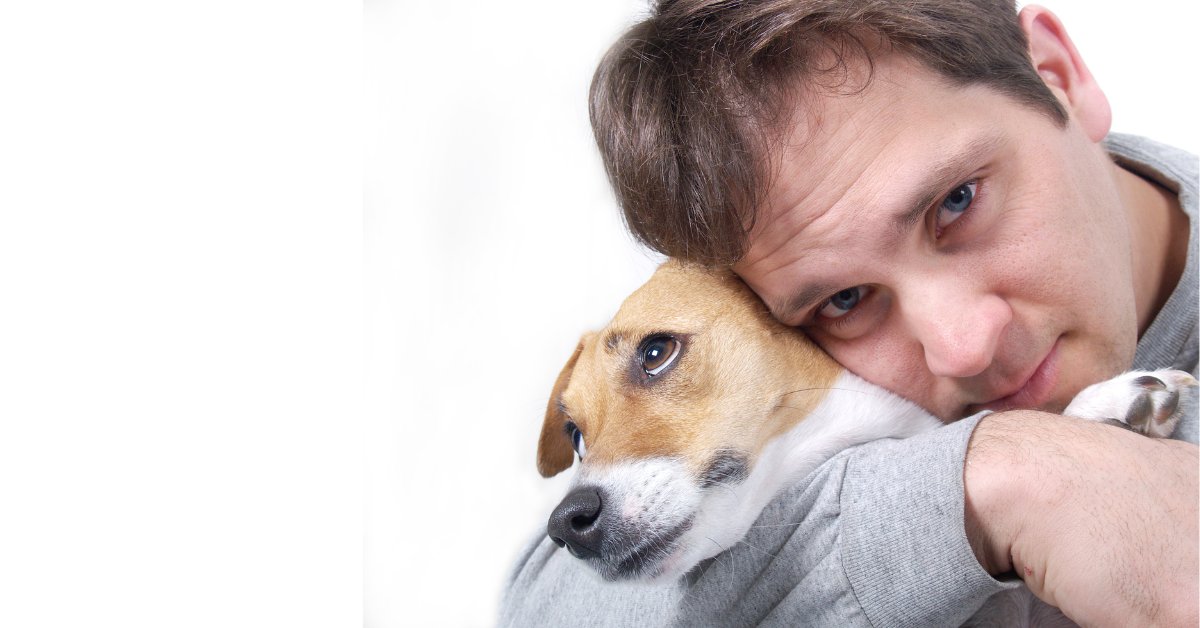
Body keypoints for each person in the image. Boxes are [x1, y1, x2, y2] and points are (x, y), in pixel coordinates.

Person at [500, 0, 1198, 625]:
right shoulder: (805, 359)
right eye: (846, 299)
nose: (964, 347)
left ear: (1057, 75)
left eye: (958, 200)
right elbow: (547, 608)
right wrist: (995, 482)